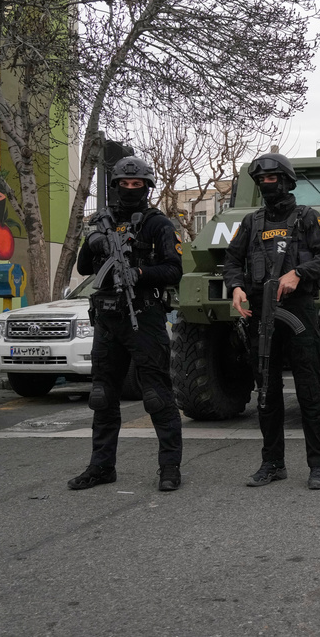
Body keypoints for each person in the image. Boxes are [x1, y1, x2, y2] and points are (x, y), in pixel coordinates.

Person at [224, 152, 320, 488]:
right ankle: (272, 463)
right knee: (267, 394)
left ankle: (319, 466)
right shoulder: (251, 222)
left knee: (309, 393)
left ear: (287, 182)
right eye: (261, 180)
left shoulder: (308, 218)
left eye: (272, 179)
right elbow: (231, 261)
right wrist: (236, 288)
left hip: (298, 314)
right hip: (262, 315)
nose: (266, 185)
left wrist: (298, 274)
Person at [69, 156, 184, 492]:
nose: (130, 190)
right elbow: (86, 267)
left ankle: (169, 469)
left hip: (143, 315)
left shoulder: (158, 224)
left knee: (157, 396)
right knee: (103, 395)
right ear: (115, 186)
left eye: (137, 185)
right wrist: (93, 242)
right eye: (124, 184)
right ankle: (101, 467)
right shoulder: (100, 221)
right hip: (107, 319)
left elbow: (174, 270)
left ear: (146, 187)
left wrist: (139, 273)